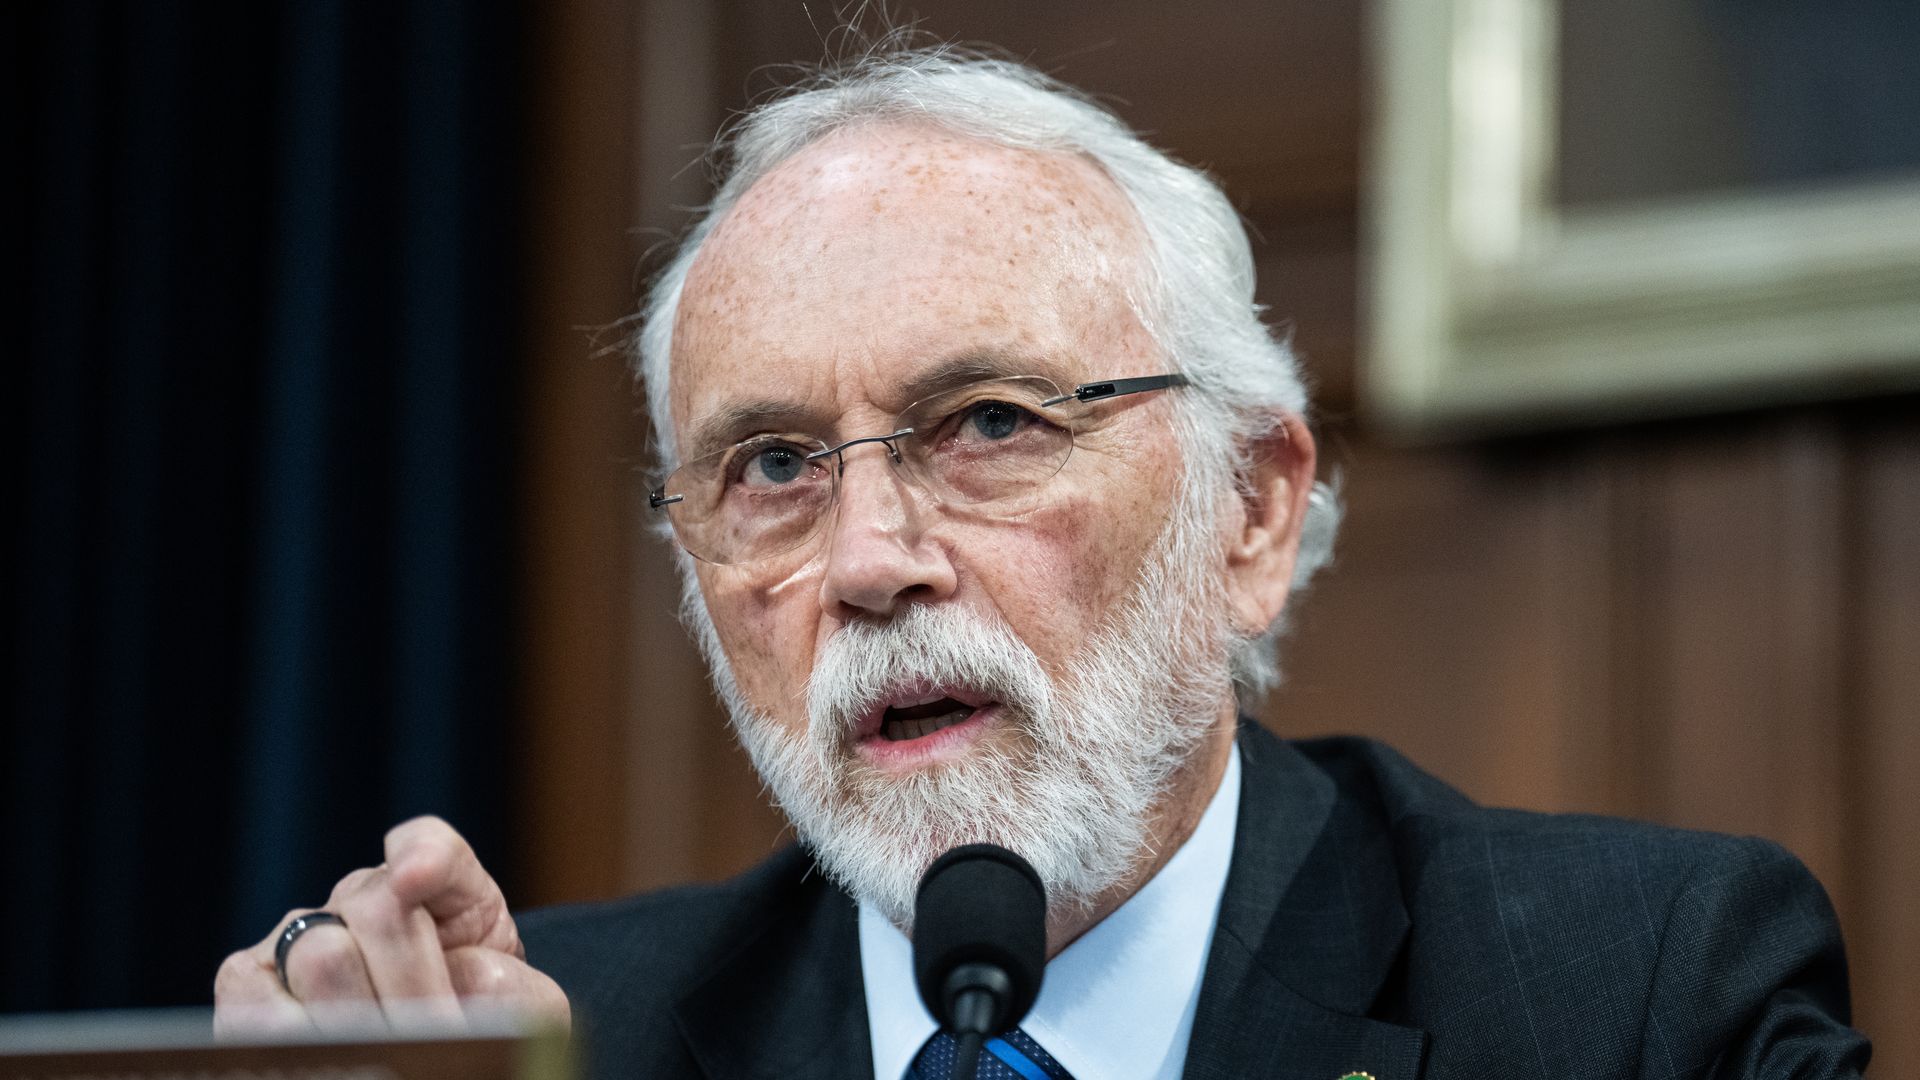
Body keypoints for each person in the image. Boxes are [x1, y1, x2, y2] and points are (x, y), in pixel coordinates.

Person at [214, 47, 1870, 1079]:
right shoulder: (552, 1043)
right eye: (774, 466)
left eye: (990, 422)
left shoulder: (1637, 994)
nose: (870, 559)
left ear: (1252, 514)